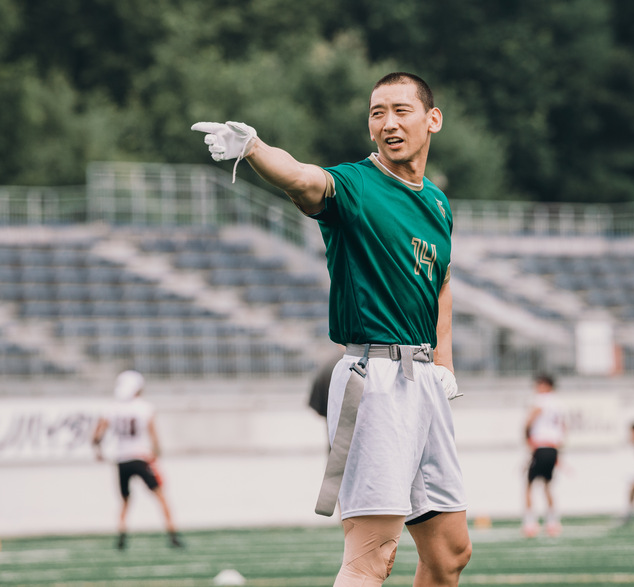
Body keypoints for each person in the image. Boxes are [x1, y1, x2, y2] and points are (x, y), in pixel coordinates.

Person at [193, 71, 471, 587]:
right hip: (378, 382)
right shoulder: (356, 186)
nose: (387, 122)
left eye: (400, 110)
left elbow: (443, 282)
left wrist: (444, 365)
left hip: (423, 380)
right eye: (376, 112)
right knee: (372, 558)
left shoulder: (437, 203)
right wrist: (254, 148)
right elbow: (303, 178)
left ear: (432, 120)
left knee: (450, 555)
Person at [93, 370, 183, 551]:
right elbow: (153, 435)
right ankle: (173, 535)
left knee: (125, 501)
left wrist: (99, 452)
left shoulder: (111, 408)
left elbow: (96, 436)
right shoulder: (144, 407)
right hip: (141, 457)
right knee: (161, 497)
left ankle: (121, 538)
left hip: (121, 459)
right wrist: (157, 453)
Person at [521, 374, 566, 538]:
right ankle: (553, 522)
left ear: (546, 385)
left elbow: (529, 422)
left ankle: (530, 523)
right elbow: (563, 427)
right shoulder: (559, 403)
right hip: (553, 447)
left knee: (529, 485)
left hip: (540, 446)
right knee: (547, 485)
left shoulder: (540, 401)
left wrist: (527, 440)